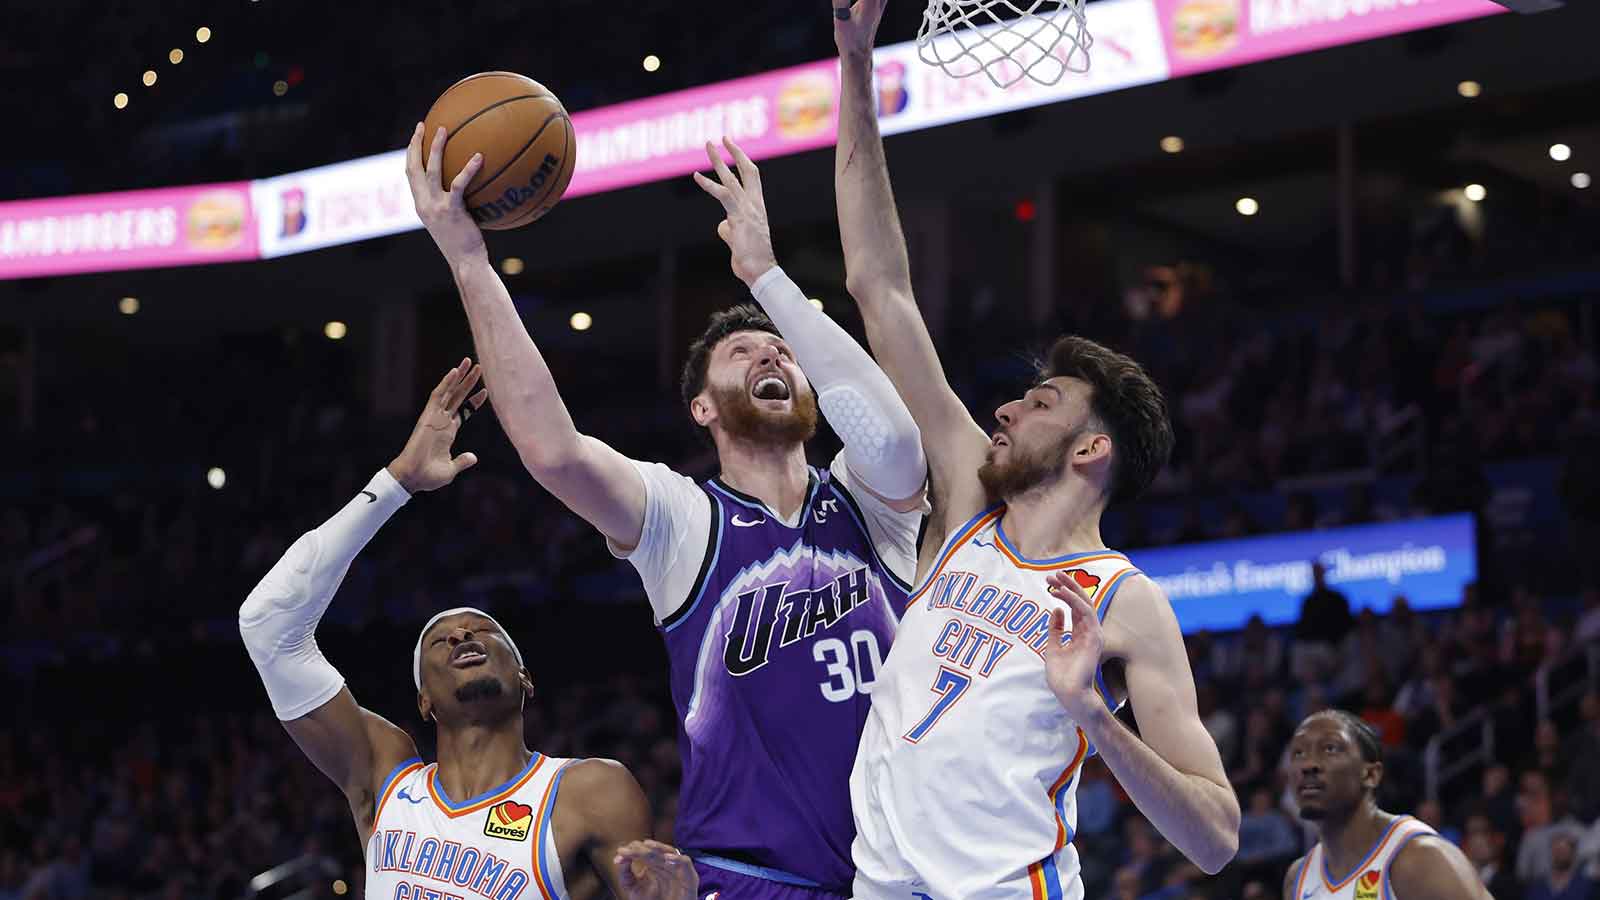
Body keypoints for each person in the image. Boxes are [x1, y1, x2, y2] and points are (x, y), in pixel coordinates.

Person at [405, 118, 928, 898]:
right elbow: (554, 450)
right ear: (703, 410)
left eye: (781, 349)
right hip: (753, 878)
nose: (771, 354)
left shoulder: (871, 500)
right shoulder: (686, 522)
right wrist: (468, 258)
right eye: (742, 352)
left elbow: (893, 435)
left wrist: (767, 279)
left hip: (907, 869)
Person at [827, 2, 1240, 896]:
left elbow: (1215, 837)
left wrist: (1093, 713)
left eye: (1041, 401)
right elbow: (878, 285)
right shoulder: (970, 504)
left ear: (1093, 448)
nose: (1009, 408)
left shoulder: (1128, 605)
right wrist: (856, 67)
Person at [238, 361, 695, 900]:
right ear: (424, 700)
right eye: (439, 640)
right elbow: (267, 622)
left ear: (524, 678)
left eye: (482, 631)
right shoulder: (384, 777)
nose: (460, 637)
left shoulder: (588, 790)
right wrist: (397, 483)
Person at [1282, 710, 1486, 899]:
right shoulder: (1297, 878)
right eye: (1298, 753)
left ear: (1371, 774)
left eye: (1329, 749)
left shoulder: (1419, 857)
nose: (1308, 765)